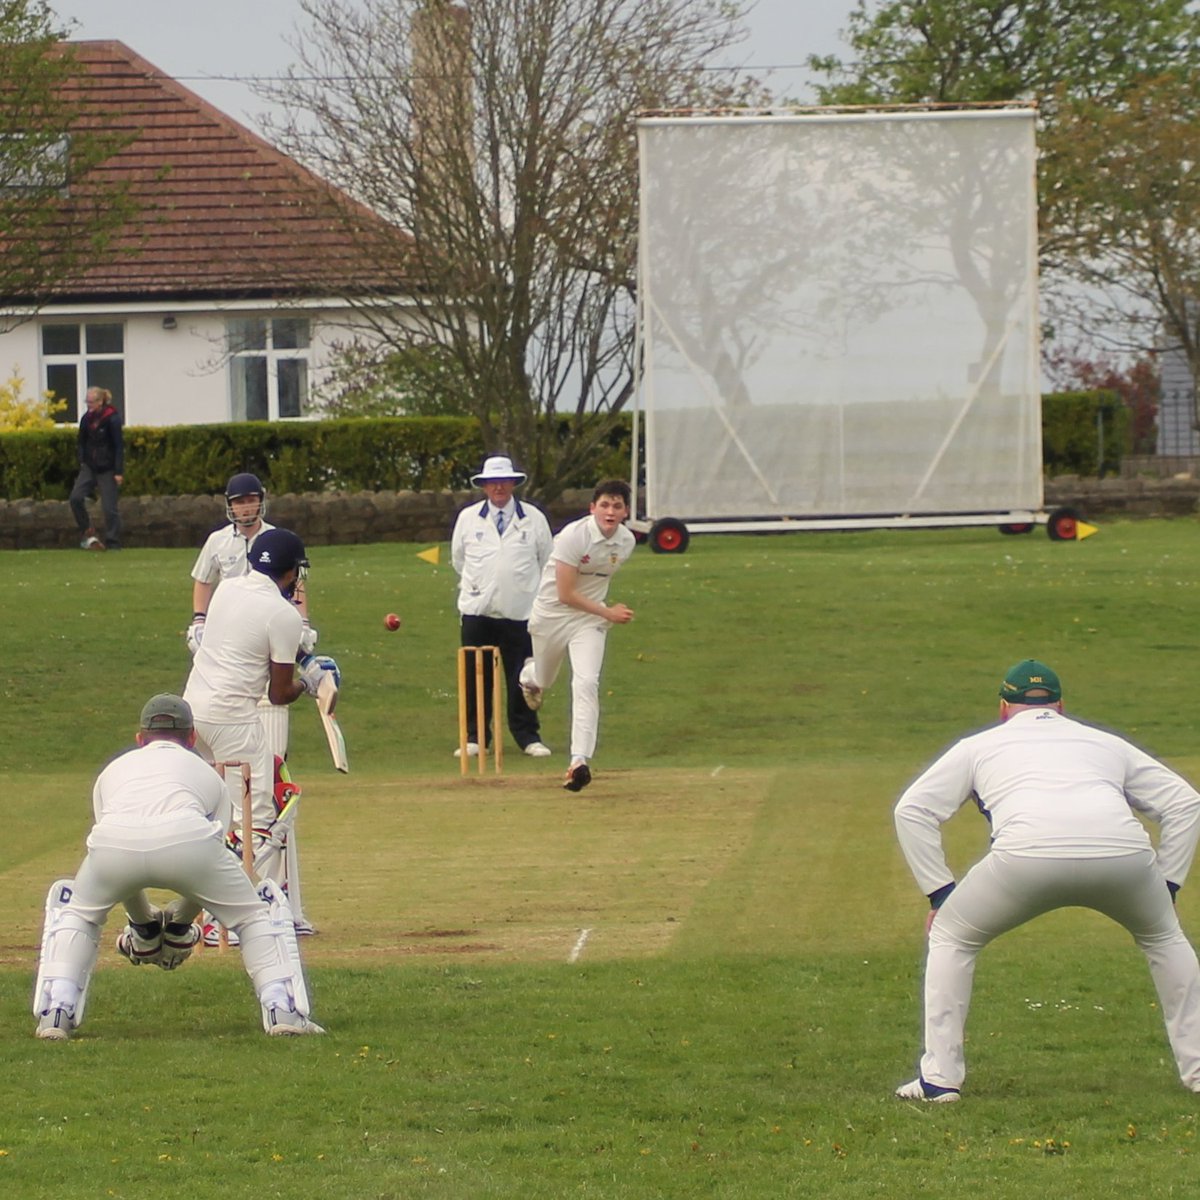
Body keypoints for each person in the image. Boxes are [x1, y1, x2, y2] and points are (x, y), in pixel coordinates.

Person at [893, 658, 1200, 1101]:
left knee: (952, 937)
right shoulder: (1106, 743)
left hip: (1026, 857)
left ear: (1003, 707)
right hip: (1123, 856)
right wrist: (1167, 884)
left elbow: (912, 809)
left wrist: (940, 893)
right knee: (1165, 939)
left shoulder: (978, 746)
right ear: (1060, 706)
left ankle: (940, 1079)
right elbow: (1186, 804)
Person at [32, 693, 323, 1040]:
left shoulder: (113, 771)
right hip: (190, 841)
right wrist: (179, 925)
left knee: (79, 915)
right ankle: (282, 1010)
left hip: (112, 846)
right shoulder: (206, 773)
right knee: (252, 917)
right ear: (191, 738)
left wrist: (146, 928)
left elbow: (127, 856)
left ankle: (56, 1014)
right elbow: (212, 857)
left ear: (140, 739)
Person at [183, 527, 339, 940]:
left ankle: (219, 914)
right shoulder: (284, 615)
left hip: (193, 711)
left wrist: (308, 661)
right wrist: (313, 681)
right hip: (234, 717)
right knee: (258, 817)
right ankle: (236, 919)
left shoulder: (228, 589)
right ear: (289, 572)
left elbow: (251, 640)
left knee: (218, 815)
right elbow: (279, 691)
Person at [518, 479, 636, 792]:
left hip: (589, 622)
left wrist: (600, 614)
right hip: (552, 616)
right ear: (592, 508)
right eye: (605, 505)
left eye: (617, 506)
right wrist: (608, 612)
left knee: (586, 682)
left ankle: (578, 761)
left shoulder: (626, 542)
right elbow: (566, 593)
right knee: (544, 678)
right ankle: (529, 675)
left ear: (625, 512)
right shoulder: (573, 536)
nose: (610, 512)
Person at [450, 454, 554, 759]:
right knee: (474, 674)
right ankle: (475, 737)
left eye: (503, 481)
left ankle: (527, 736)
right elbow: (459, 559)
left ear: (513, 483)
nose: (498, 487)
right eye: (492, 482)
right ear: (483, 486)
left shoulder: (533, 518)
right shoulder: (468, 518)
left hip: (521, 612)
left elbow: (546, 560)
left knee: (522, 676)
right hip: (477, 609)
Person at [68, 386, 124, 551]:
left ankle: (113, 542)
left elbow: (118, 446)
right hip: (90, 467)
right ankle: (87, 531)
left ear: (100, 402)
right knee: (75, 498)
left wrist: (118, 471)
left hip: (107, 468)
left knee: (109, 508)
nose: (88, 405)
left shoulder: (112, 419)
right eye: (87, 402)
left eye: (91, 402)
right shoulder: (86, 419)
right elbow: (81, 441)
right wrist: (82, 460)